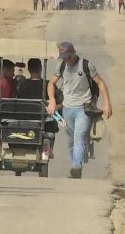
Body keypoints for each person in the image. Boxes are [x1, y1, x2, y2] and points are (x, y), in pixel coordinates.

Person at [46, 41, 113, 179]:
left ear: (74, 53)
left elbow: (100, 83)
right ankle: (74, 164)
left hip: (83, 108)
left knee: (79, 136)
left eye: (68, 57)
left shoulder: (86, 65)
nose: (66, 60)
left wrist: (107, 104)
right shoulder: (62, 65)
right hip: (67, 108)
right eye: (63, 57)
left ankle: (76, 167)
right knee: (71, 140)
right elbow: (51, 83)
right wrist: (52, 101)